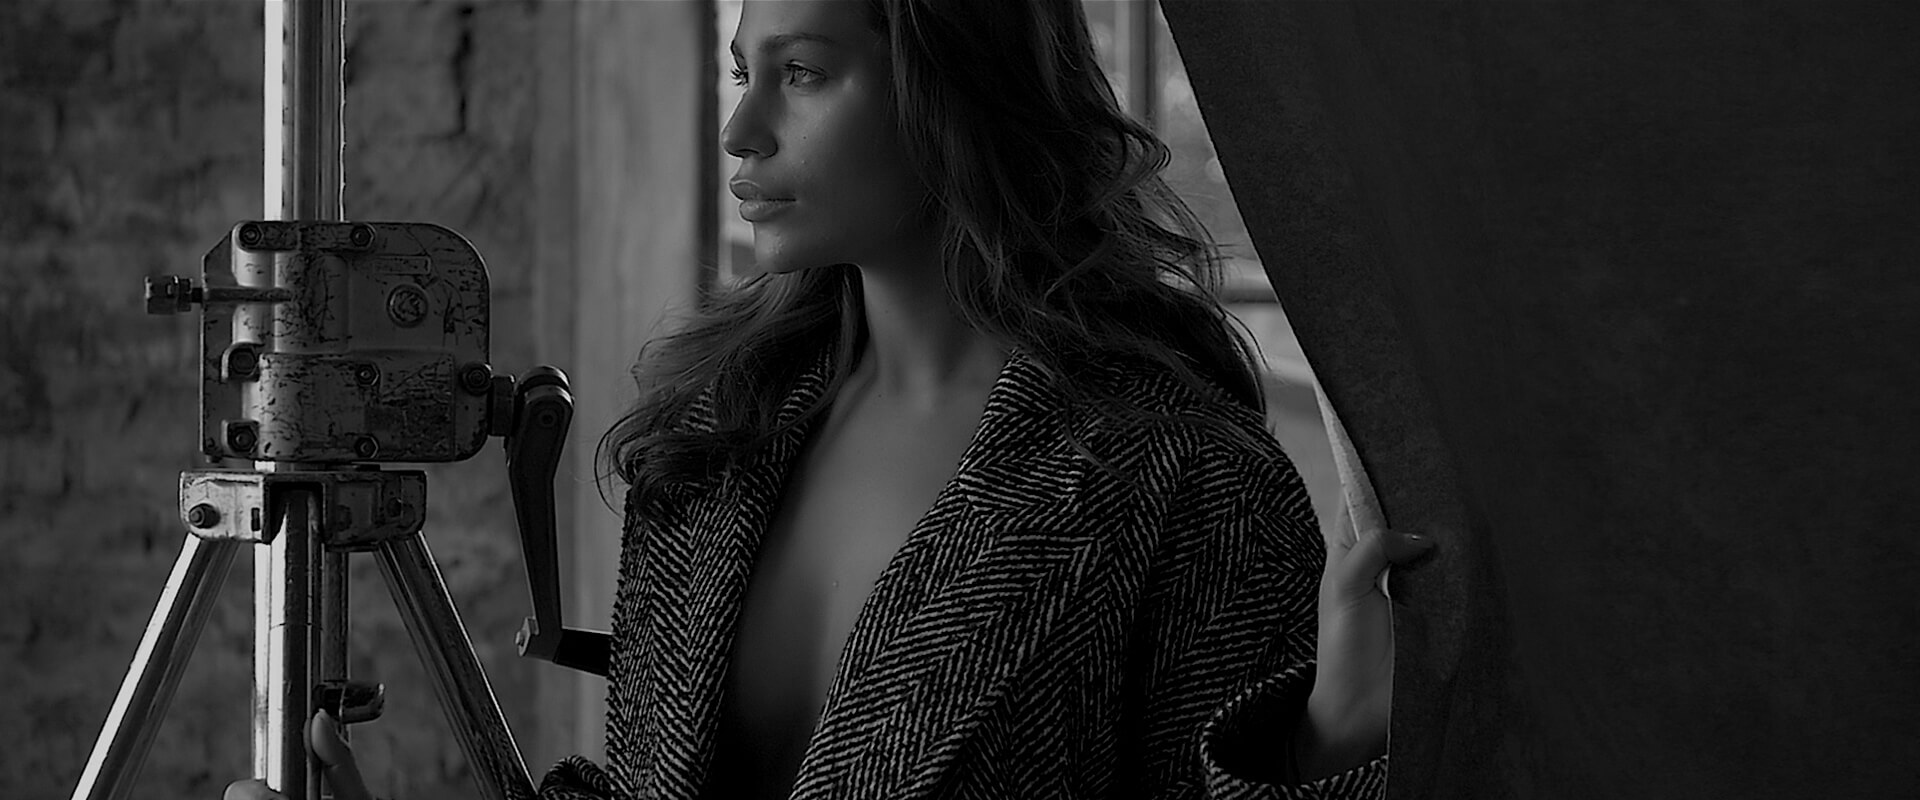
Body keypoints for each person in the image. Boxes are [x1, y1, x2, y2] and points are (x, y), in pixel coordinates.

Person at [229, 1, 1431, 798]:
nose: (741, 129)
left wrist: (1329, 741)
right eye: (742, 72)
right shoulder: (713, 440)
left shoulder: (1184, 481)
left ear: (957, 85)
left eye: (803, 74)